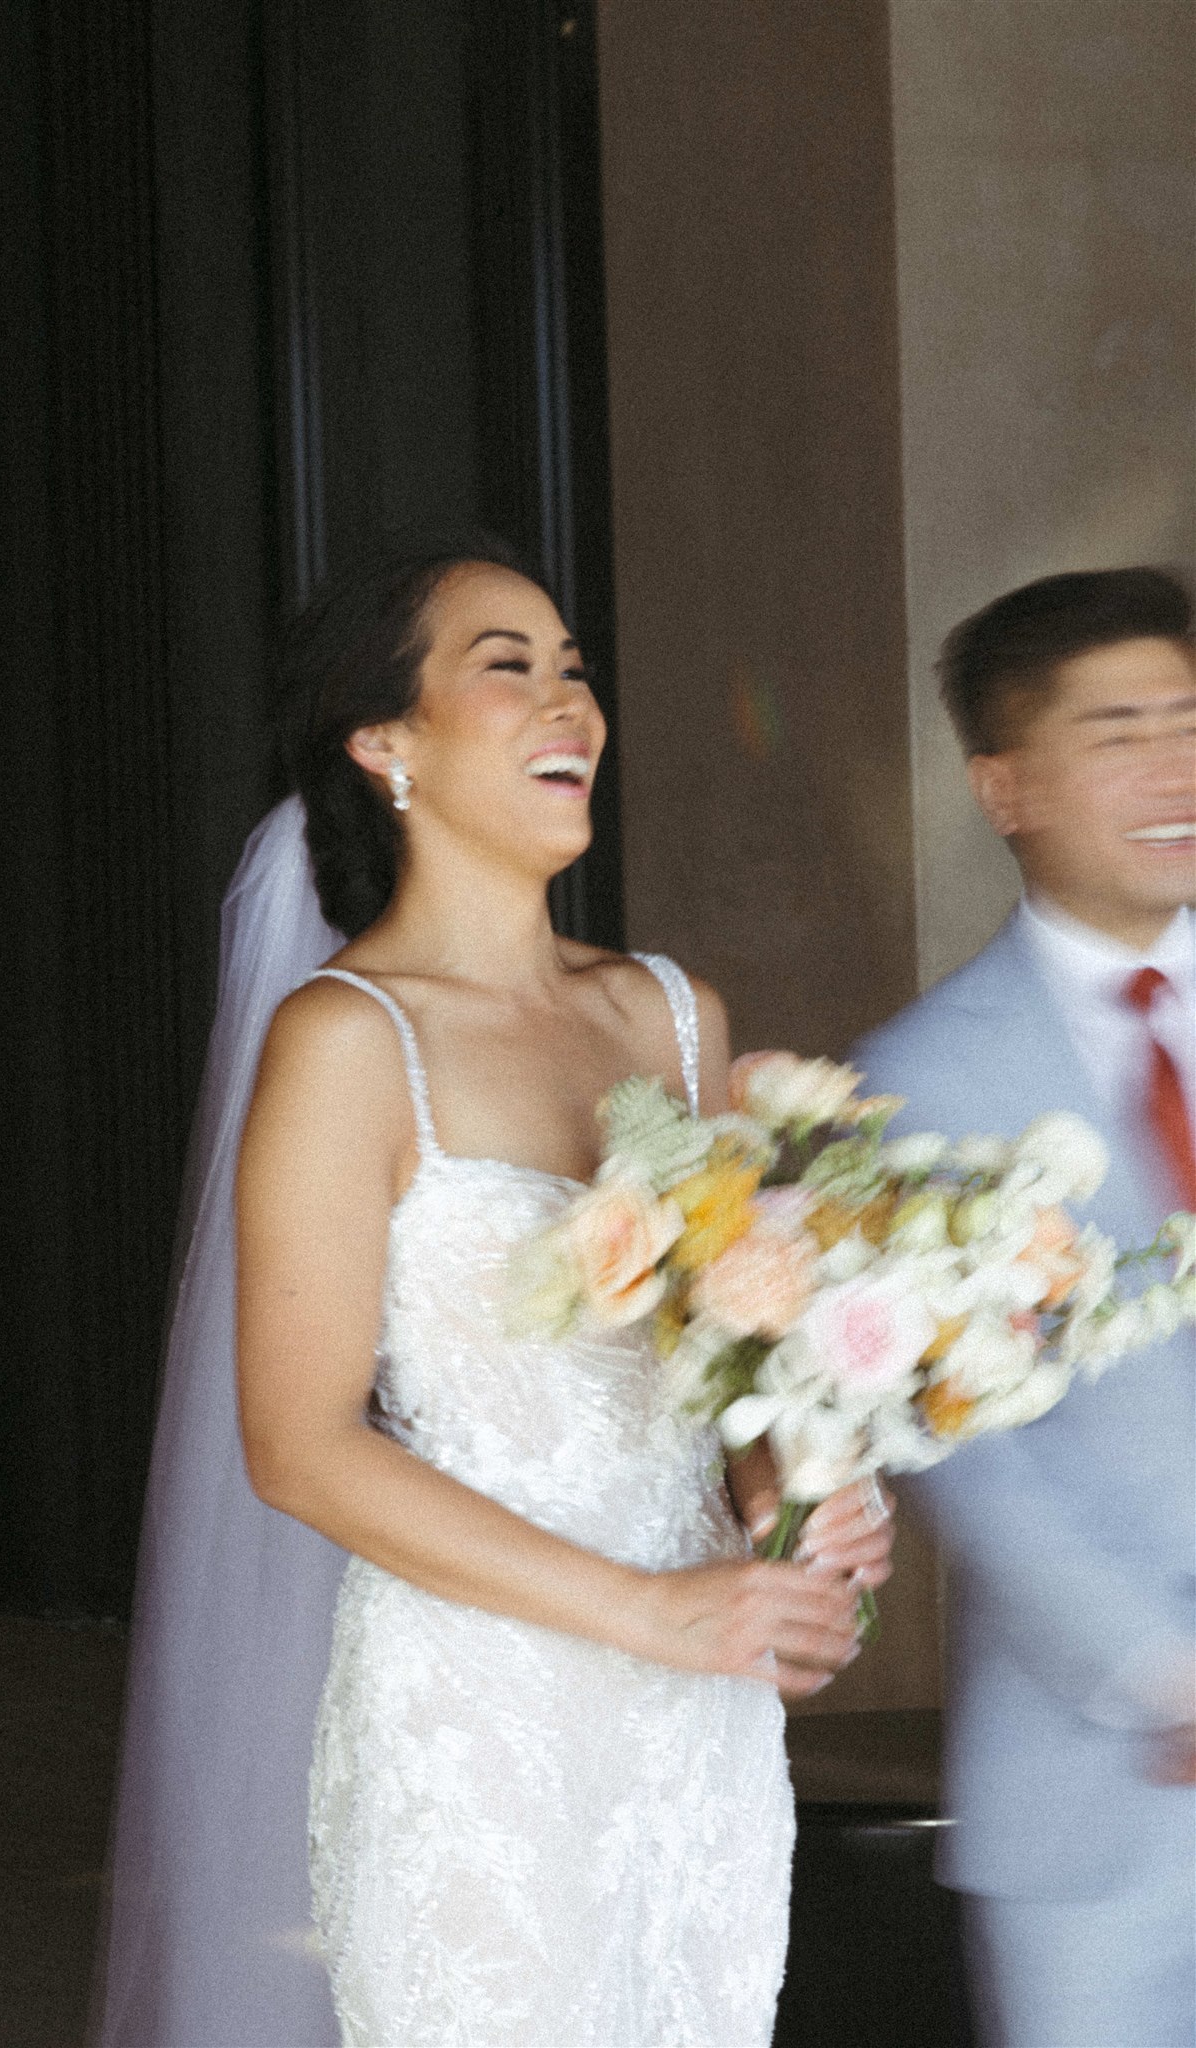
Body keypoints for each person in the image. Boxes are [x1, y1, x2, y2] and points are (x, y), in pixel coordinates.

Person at [93, 538, 895, 2048]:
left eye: (575, 669)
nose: (566, 703)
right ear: (383, 743)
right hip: (477, 1721)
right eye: (507, 667)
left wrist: (799, 1502)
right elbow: (301, 1446)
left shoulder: (668, 1012)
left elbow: (725, 1378)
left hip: (695, 1722)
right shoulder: (345, 1041)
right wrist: (646, 1610)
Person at [852, 567, 1196, 2048]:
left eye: (1190, 719)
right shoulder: (917, 1080)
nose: (1174, 767)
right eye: (1118, 731)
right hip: (1091, 1786)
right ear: (1005, 785)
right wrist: (1154, 1668)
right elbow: (949, 1441)